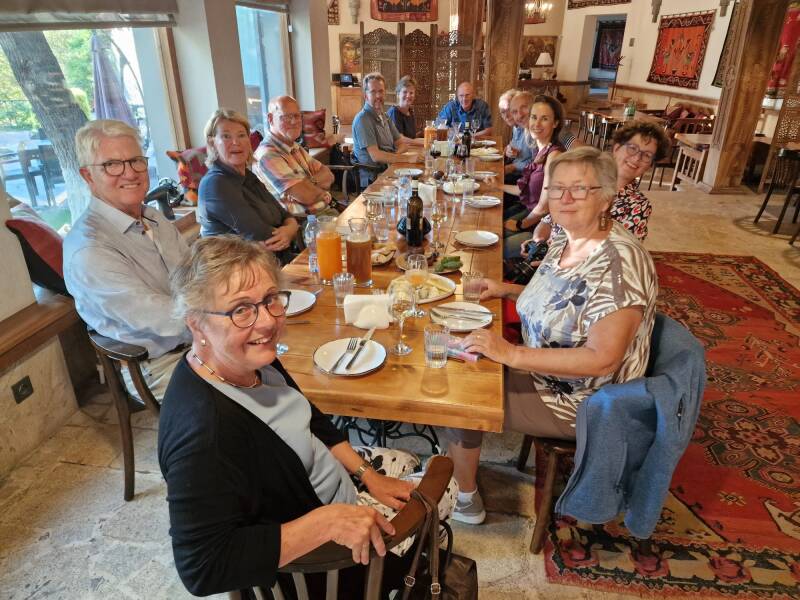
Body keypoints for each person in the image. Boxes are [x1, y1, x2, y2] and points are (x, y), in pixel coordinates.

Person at [160, 235, 456, 596]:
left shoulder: (245, 361)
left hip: (336, 488)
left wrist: (367, 474)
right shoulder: (205, 434)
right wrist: (326, 523)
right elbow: (201, 568)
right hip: (329, 561)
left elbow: (309, 418)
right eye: (241, 310)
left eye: (270, 299)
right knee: (447, 483)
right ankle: (408, 569)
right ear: (196, 323)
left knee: (407, 460)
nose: (267, 322)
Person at [445, 147, 658, 525]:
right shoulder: (570, 235)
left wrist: (512, 355)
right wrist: (505, 289)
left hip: (582, 399)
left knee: (462, 394)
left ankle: (464, 499)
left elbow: (602, 358)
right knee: (460, 356)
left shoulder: (618, 264)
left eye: (580, 189)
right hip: (548, 370)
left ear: (607, 197)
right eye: (557, 188)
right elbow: (561, 296)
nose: (565, 198)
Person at [63, 119, 190, 400]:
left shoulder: (152, 217)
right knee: (246, 411)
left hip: (201, 338)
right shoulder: (88, 249)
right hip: (160, 366)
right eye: (111, 164)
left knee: (282, 367)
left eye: (135, 161)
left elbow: (195, 273)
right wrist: (225, 315)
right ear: (87, 176)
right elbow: (161, 316)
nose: (129, 173)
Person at [527, 120, 671, 250]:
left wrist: (555, 258)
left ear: (650, 165)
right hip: (546, 253)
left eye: (647, 155)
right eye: (632, 148)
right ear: (616, 148)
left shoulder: (639, 206)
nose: (637, 158)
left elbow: (618, 254)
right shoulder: (584, 177)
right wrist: (537, 242)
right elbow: (549, 220)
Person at [198, 108, 299, 265]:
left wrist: (289, 229)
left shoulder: (247, 176)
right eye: (226, 136)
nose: (236, 142)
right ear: (212, 143)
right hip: (239, 272)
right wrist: (289, 230)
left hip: (271, 262)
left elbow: (285, 215)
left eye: (241, 135)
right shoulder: (215, 184)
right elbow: (262, 235)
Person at [254, 95, 338, 216]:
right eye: (287, 117)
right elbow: (307, 195)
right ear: (271, 119)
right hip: (302, 222)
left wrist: (307, 183)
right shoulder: (268, 155)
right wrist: (313, 189)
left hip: (325, 211)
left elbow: (328, 175)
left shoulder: (294, 147)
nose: (294, 121)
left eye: (297, 116)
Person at [502, 94, 565, 238]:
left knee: (497, 239)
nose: (537, 124)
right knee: (494, 220)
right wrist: (497, 185)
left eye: (544, 119)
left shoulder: (554, 156)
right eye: (534, 117)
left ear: (555, 123)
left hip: (545, 227)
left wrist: (520, 224)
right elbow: (523, 189)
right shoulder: (540, 150)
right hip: (530, 211)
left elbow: (544, 208)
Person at [351, 72, 422, 187]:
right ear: (365, 96)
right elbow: (376, 156)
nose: (378, 96)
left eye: (381, 91)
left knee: (422, 180)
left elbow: (402, 144)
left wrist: (393, 158)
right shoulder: (363, 119)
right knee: (414, 186)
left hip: (389, 170)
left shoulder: (385, 116)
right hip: (373, 179)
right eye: (373, 92)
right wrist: (405, 158)